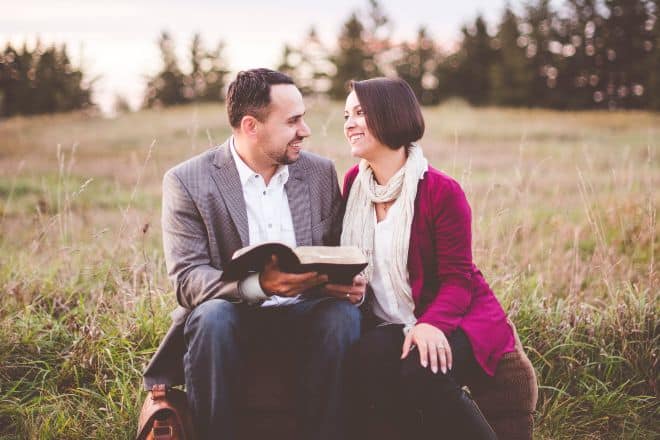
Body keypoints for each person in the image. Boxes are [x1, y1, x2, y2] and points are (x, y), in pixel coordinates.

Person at [142, 68, 365, 440]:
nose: (305, 130)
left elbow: (336, 250)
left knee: (341, 316)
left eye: (303, 118)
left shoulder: (319, 172)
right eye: (293, 121)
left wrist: (345, 283)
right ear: (251, 126)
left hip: (305, 314)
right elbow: (187, 280)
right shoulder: (188, 181)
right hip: (233, 318)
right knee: (211, 317)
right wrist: (258, 285)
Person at [341, 77, 515, 439]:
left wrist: (431, 324)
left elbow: (458, 279)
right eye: (346, 115)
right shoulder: (352, 185)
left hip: (459, 318)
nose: (349, 124)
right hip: (390, 323)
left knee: (422, 368)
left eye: (359, 113)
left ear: (389, 115)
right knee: (365, 361)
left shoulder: (441, 190)